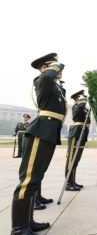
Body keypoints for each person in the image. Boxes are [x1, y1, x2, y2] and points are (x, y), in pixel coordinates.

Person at [11, 53, 66, 234]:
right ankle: (19, 228)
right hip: (40, 132)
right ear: (45, 67)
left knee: (36, 178)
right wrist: (58, 65)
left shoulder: (54, 87)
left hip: (48, 133)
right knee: (28, 181)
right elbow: (47, 76)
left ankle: (28, 221)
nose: (59, 71)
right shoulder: (41, 81)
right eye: (53, 66)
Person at [65, 90, 90, 192]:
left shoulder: (83, 108)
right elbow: (80, 107)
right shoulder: (76, 107)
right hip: (76, 133)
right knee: (71, 159)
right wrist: (84, 99)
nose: (83, 99)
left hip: (82, 133)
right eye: (81, 98)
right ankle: (68, 183)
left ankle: (73, 181)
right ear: (76, 99)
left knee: (76, 159)